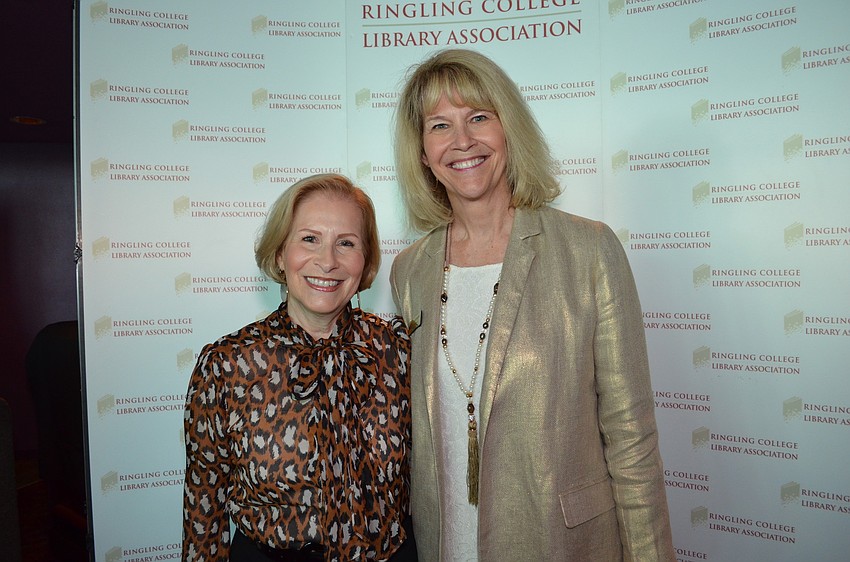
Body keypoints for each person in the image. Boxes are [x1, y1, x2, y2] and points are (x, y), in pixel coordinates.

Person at [389, 49, 675, 561]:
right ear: (423, 153)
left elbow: (631, 439)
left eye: (479, 117)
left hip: (562, 544)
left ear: (508, 130)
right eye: (440, 126)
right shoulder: (410, 269)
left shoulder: (589, 250)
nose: (462, 141)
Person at [183, 174, 417, 562]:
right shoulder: (227, 365)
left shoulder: (396, 350)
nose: (327, 261)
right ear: (280, 254)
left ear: (366, 260)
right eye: (310, 239)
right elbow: (202, 509)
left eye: (346, 243)